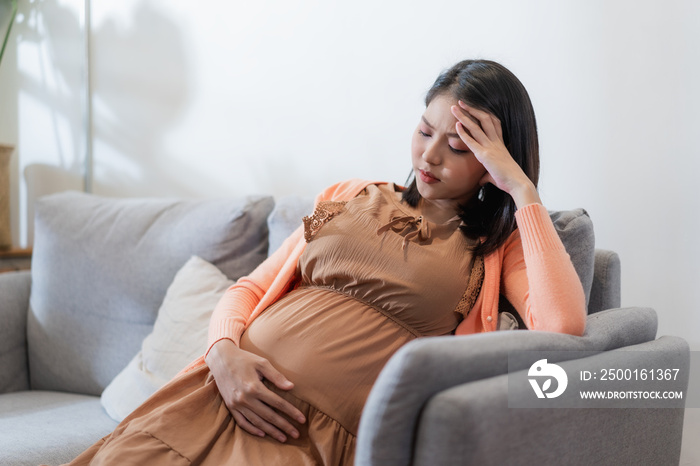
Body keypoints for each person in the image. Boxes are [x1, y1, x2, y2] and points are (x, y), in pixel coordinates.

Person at [65, 59, 586, 466]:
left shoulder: (498, 245)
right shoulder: (350, 195)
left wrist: (521, 188)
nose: (428, 157)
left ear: (495, 160)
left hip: (302, 436)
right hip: (218, 392)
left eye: (456, 146)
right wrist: (224, 354)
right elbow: (248, 289)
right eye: (425, 132)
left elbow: (563, 327)